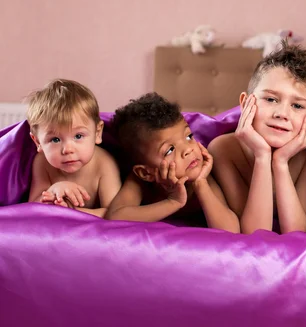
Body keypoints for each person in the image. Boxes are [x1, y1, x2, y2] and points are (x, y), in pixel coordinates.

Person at [208, 41, 306, 234]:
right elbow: (254, 232)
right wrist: (262, 156)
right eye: (270, 99)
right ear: (245, 103)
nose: (281, 113)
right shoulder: (223, 150)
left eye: (297, 106)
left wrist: (281, 163)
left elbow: (298, 234)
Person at [105, 92, 239, 233]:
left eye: (188, 136)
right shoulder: (140, 183)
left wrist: (200, 184)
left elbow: (230, 230)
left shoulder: (202, 176)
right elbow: (115, 217)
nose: (188, 150)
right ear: (145, 172)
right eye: (170, 150)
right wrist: (173, 202)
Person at [27, 79, 121, 217]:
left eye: (78, 136)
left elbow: (115, 213)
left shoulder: (104, 163)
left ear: (97, 133)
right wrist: (53, 191)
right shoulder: (42, 162)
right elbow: (32, 209)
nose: (68, 149)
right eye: (55, 139)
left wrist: (72, 212)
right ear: (38, 142)